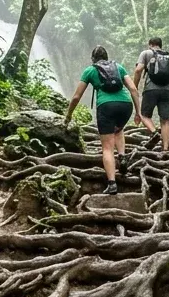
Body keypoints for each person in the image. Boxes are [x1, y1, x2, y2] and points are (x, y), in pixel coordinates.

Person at [64, 45, 151, 195]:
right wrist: (138, 112)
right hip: (125, 105)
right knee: (118, 129)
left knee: (107, 147)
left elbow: (77, 96)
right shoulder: (118, 67)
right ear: (106, 56)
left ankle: (112, 184)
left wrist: (68, 115)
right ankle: (122, 157)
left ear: (93, 59)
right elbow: (134, 90)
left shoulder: (90, 70)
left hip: (106, 106)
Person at [133, 37, 169, 152]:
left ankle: (155, 133)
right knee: (165, 120)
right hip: (167, 91)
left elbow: (138, 70)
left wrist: (134, 87)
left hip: (150, 90)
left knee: (144, 115)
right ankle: (165, 149)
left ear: (150, 44)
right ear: (160, 45)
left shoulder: (146, 53)